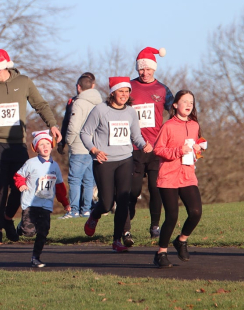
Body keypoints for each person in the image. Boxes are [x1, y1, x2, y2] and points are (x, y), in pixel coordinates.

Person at [0, 48, 62, 244]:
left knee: (21, 184)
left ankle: (7, 219)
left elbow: (40, 104)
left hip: (17, 144)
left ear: (0, 69)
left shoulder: (23, 83)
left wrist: (52, 124)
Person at [80, 76, 153, 252]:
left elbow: (136, 136)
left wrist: (144, 145)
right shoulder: (100, 110)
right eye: (121, 91)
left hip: (125, 160)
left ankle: (117, 239)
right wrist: (94, 150)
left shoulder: (130, 112)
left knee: (123, 200)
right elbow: (84, 133)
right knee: (106, 202)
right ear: (112, 93)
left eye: (127, 91)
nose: (124, 95)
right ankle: (94, 216)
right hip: (104, 161)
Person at [152, 90, 205, 267]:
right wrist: (177, 151)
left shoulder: (194, 125)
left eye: (191, 101)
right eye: (184, 102)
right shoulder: (168, 126)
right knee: (172, 216)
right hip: (168, 176)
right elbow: (158, 150)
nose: (189, 105)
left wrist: (198, 150)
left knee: (196, 212)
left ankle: (181, 240)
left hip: (188, 175)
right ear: (175, 105)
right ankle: (161, 253)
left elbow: (194, 146)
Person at [128, 47, 174, 238]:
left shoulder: (162, 89)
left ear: (154, 69)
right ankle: (126, 227)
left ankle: (155, 226)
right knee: (133, 190)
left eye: (148, 69)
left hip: (156, 147)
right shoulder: (128, 86)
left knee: (156, 189)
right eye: (141, 69)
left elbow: (174, 113)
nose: (145, 73)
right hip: (132, 147)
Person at [14, 130, 65, 267]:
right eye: (41, 144)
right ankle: (21, 227)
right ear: (36, 147)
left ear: (51, 145)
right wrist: (21, 185)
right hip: (30, 202)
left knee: (43, 232)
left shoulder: (55, 166)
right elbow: (18, 175)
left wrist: (65, 203)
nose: (45, 146)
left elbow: (59, 186)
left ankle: (36, 257)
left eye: (47, 143)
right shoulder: (31, 163)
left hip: (46, 204)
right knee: (29, 232)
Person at [64, 73, 101, 219]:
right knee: (89, 180)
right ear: (92, 86)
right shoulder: (99, 103)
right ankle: (87, 210)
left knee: (74, 179)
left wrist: (69, 140)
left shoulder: (78, 103)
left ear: (79, 87)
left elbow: (73, 126)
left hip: (79, 146)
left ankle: (73, 211)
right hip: (93, 147)